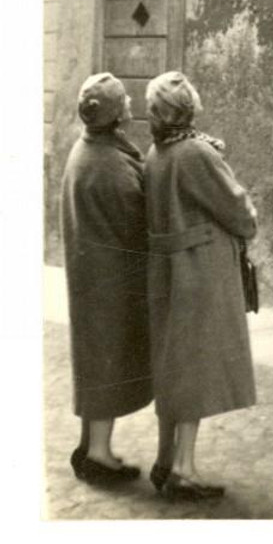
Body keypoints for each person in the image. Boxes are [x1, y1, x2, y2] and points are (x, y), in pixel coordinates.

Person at [144, 71, 258, 502]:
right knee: (193, 369)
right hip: (197, 272)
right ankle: (183, 469)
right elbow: (237, 208)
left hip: (166, 272)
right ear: (187, 109)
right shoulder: (196, 153)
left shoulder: (156, 153)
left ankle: (165, 458)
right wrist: (249, 222)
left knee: (172, 367)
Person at [60, 72, 152, 486]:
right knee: (107, 364)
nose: (131, 104)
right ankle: (98, 455)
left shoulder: (86, 150)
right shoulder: (110, 163)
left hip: (92, 278)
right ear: (115, 115)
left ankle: (89, 448)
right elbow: (138, 220)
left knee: (95, 362)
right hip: (109, 283)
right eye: (125, 101)